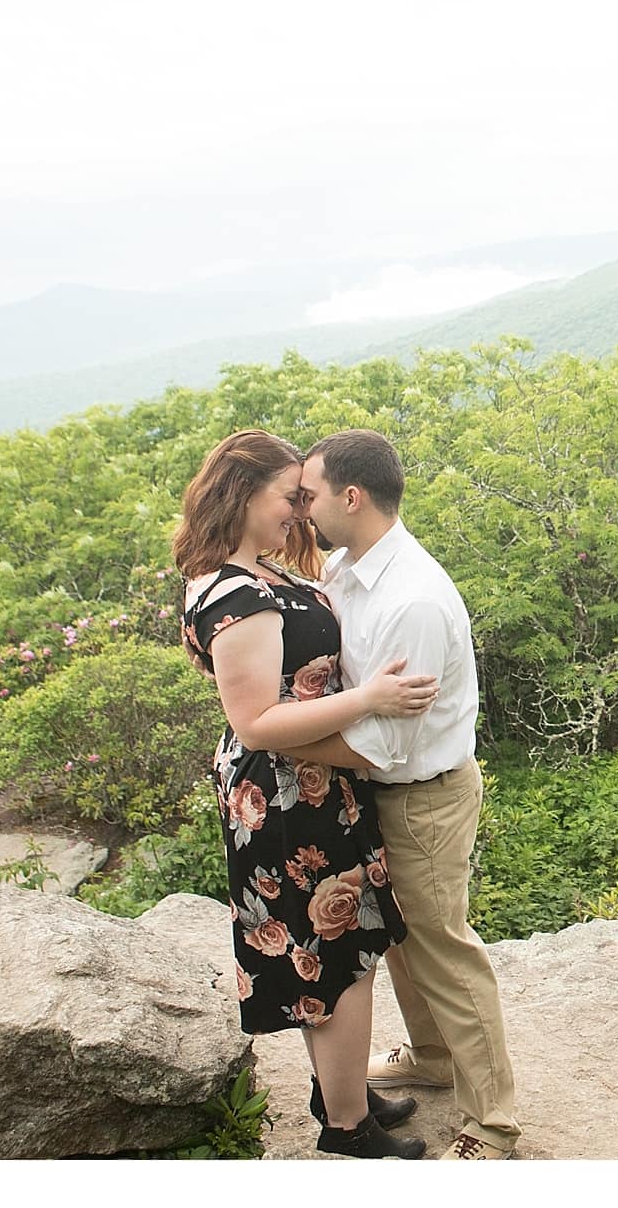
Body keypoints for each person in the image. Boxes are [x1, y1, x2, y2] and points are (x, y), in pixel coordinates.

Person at [175, 429, 442, 1160]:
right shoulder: (237, 594)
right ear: (241, 492)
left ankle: (341, 1088)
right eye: (287, 496)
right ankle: (349, 1127)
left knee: (342, 944)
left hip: (318, 784)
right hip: (290, 792)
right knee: (337, 953)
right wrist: (372, 700)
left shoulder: (251, 571)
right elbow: (257, 723)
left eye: (304, 496)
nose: (298, 511)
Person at [289, 428, 523, 1161]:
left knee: (442, 949)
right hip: (377, 794)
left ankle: (493, 1122)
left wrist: (276, 738)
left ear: (350, 497)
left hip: (421, 794)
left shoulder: (411, 600)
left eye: (310, 493)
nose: (302, 506)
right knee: (398, 940)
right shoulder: (344, 566)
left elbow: (378, 744)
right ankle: (432, 1055)